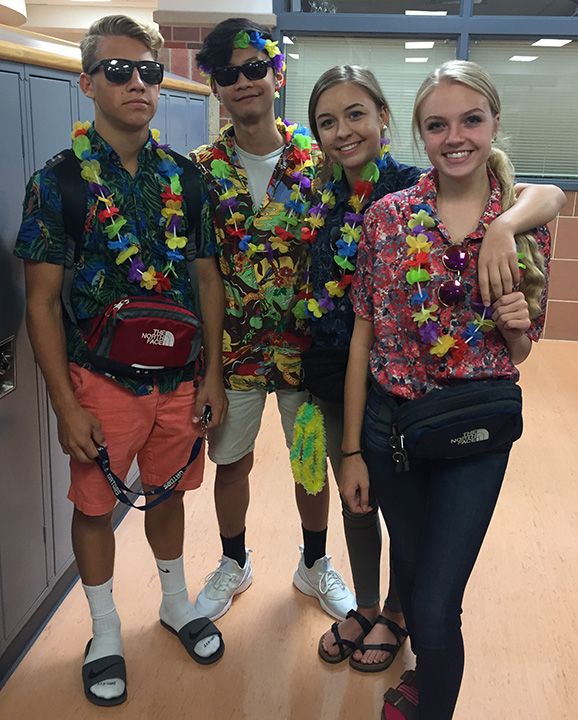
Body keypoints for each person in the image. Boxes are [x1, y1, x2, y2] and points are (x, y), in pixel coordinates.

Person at [306, 65, 564, 674]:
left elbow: (520, 353)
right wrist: (350, 451)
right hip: (385, 418)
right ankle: (384, 619)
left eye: (472, 119)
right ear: (421, 133)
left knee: (437, 603)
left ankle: (421, 665)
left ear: (495, 124)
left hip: (473, 429)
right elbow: (362, 339)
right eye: (438, 124)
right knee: (403, 552)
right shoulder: (387, 216)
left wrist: (513, 305)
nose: (455, 136)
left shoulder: (517, 223)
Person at [14, 15, 227, 707]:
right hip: (100, 380)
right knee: (95, 503)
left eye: (149, 72)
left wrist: (213, 374)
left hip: (180, 380)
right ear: (86, 82)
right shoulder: (60, 183)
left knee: (169, 493)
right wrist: (65, 405)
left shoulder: (186, 180)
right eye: (119, 70)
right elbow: (41, 304)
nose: (138, 83)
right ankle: (103, 630)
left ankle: (172, 601)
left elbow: (207, 280)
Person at [188, 18, 355, 622]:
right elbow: (199, 271)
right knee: (230, 464)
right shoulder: (200, 171)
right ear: (216, 89)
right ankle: (235, 561)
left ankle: (314, 566)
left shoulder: (323, 160)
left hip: (305, 350)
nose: (244, 82)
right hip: (231, 351)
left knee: (310, 460)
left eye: (254, 68)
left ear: (276, 72)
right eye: (228, 74)